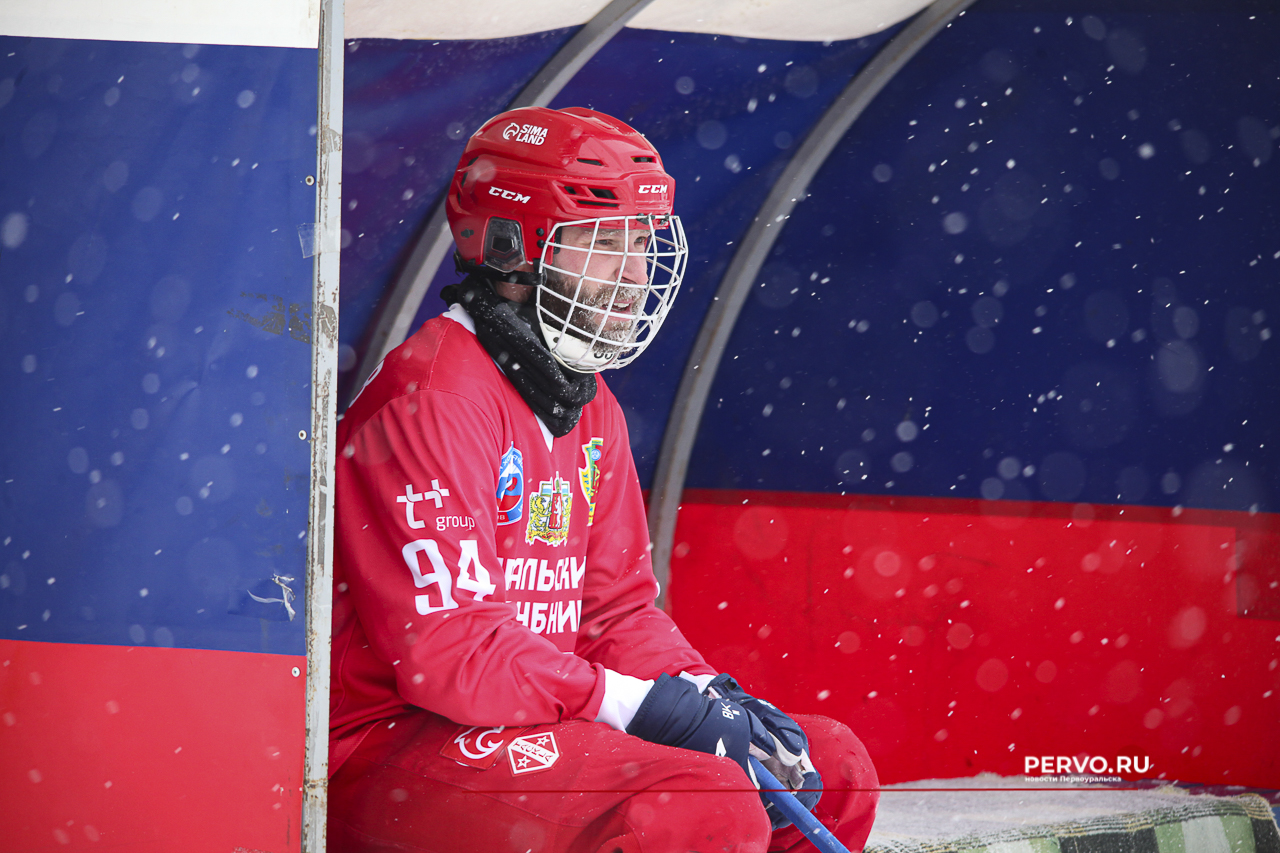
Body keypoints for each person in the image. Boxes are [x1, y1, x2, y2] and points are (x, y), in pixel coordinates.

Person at [326, 105, 879, 853]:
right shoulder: (434, 395)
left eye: (643, 243)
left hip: (533, 722)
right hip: (394, 747)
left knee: (831, 766)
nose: (633, 274)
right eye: (601, 242)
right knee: (699, 804)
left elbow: (614, 614)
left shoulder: (586, 401)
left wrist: (710, 697)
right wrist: (638, 706)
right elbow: (451, 653)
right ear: (511, 247)